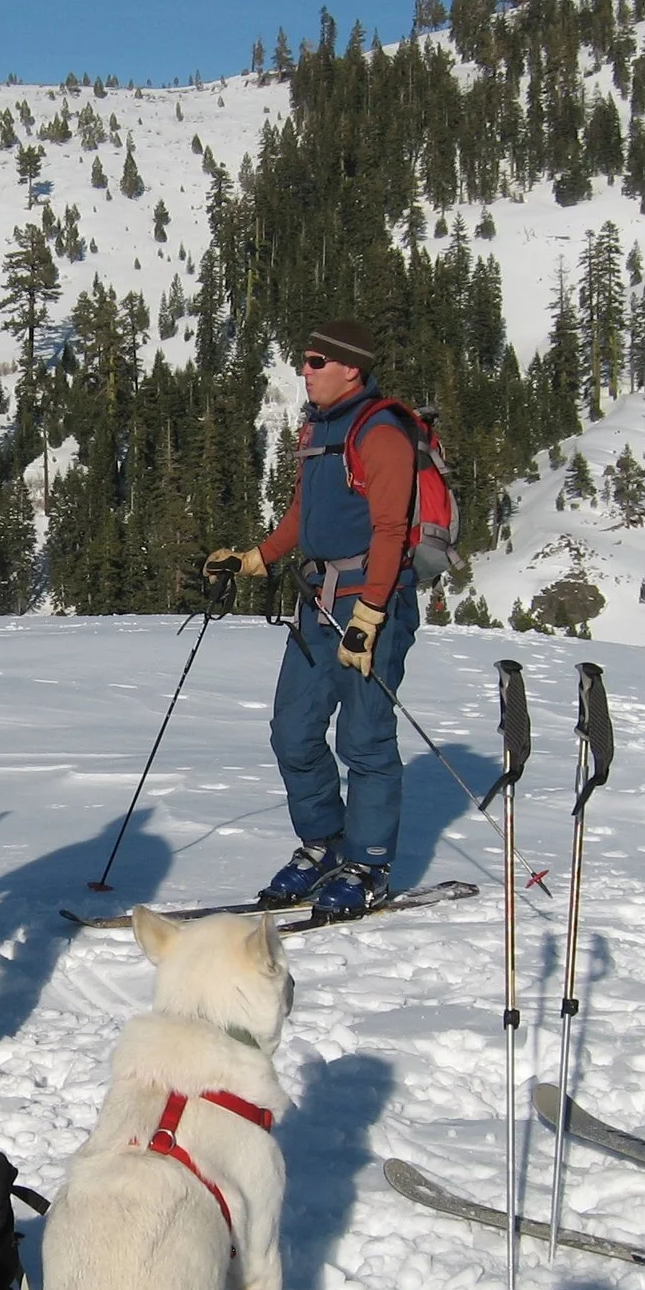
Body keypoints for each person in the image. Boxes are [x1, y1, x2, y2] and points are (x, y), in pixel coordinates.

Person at [207, 320, 420, 922]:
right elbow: (304, 514)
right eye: (305, 358)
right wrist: (258, 557)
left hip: (369, 605)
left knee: (365, 737)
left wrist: (372, 613)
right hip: (317, 602)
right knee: (293, 731)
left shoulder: (381, 435)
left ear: (351, 367)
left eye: (317, 359)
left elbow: (390, 532)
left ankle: (369, 863)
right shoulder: (320, 430)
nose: (306, 368)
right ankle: (325, 843)